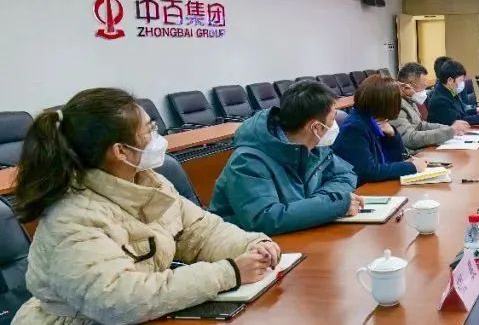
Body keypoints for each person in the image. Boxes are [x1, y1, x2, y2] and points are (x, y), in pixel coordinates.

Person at [13, 88, 281, 324]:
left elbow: (201, 231)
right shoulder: (72, 217)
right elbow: (117, 300)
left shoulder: (149, 183)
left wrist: (251, 245)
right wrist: (229, 273)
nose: (157, 137)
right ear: (120, 151)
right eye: (149, 130)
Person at [210, 81, 362, 235]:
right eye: (332, 118)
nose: (335, 124)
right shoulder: (247, 161)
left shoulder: (315, 147)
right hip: (245, 243)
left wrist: (322, 202)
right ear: (316, 127)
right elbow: (263, 219)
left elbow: (346, 174)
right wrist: (333, 206)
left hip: (294, 234)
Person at [333, 76, 425, 184]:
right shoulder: (355, 128)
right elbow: (368, 172)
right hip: (361, 189)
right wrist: (411, 167)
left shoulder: (374, 119)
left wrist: (392, 135)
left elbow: (398, 158)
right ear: (386, 103)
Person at [390, 62, 468, 151]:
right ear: (406, 87)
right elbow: (410, 139)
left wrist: (450, 129)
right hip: (413, 155)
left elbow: (420, 126)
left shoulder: (410, 100)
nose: (424, 91)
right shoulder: (396, 106)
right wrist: (449, 131)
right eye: (422, 87)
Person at [428, 59, 479, 126]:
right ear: (450, 80)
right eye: (461, 80)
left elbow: (460, 113)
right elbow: (459, 121)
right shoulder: (440, 100)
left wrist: (475, 110)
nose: (462, 83)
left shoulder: (449, 91)